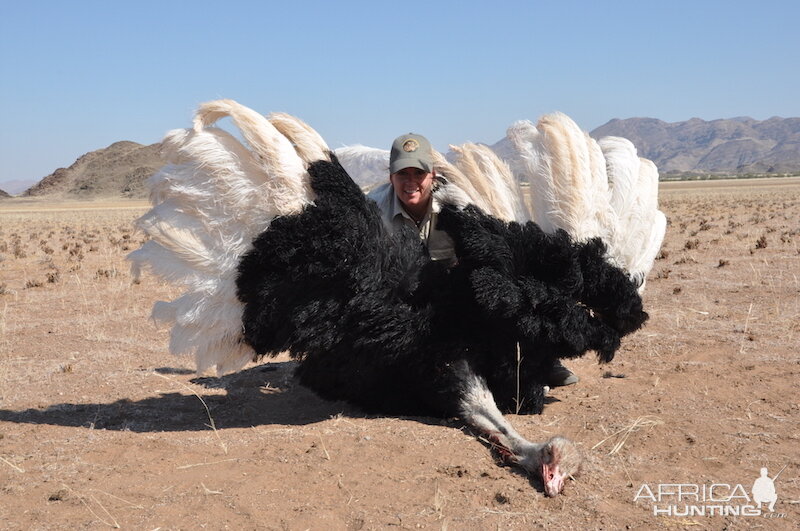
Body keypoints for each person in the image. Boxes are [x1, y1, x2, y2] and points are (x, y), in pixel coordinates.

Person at [368, 132, 578, 387]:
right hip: (400, 292)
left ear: (432, 175)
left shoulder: (457, 203)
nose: (410, 182)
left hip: (451, 288)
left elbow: (486, 256)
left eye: (418, 174)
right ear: (391, 176)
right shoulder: (373, 211)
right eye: (403, 174)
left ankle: (539, 358)